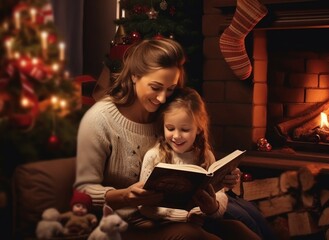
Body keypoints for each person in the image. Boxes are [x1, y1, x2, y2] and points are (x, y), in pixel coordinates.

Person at [73, 38, 245, 240]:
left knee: (239, 229)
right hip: (121, 224)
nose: (163, 98)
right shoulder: (99, 119)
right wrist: (124, 196)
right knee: (191, 236)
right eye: (155, 87)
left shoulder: (165, 114)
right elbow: (83, 191)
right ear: (135, 76)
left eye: (170, 89)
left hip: (174, 218)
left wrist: (222, 179)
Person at [139, 87, 261, 240]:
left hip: (203, 218)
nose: (176, 136)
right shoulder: (154, 156)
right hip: (166, 223)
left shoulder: (204, 155)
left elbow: (220, 195)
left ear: (198, 129)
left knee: (240, 229)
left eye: (185, 129)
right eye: (170, 128)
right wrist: (184, 216)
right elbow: (143, 205)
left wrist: (213, 208)